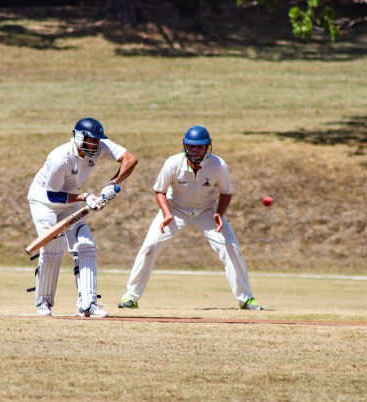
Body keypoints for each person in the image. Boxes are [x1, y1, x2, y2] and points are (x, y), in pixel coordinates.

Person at [118, 125, 264, 311]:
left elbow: (226, 193)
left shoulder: (218, 165)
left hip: (207, 212)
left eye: (199, 146)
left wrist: (219, 213)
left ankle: (246, 299)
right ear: (185, 146)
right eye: (191, 146)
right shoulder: (173, 163)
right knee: (149, 247)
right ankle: (131, 297)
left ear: (207, 147)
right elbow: (160, 191)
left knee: (231, 248)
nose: (195, 150)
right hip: (175, 210)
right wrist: (167, 214)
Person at [28, 117, 138, 317]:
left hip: (71, 199)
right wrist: (85, 197)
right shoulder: (60, 158)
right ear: (79, 137)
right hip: (44, 202)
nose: (95, 145)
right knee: (54, 248)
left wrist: (113, 183)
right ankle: (43, 301)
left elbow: (130, 159)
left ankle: (88, 304)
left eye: (97, 140)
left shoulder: (100, 145)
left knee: (86, 244)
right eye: (91, 140)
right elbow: (53, 195)